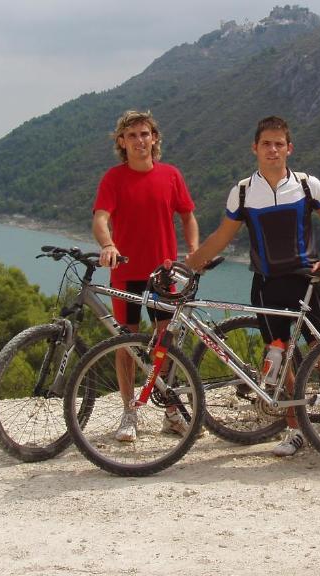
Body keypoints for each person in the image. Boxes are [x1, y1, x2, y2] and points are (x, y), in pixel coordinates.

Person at [186, 116, 320, 458]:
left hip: (306, 284)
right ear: (254, 148)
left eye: (279, 143)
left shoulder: (306, 185)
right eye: (266, 144)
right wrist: (186, 267)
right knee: (280, 360)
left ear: (289, 148)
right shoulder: (243, 191)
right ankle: (295, 430)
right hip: (266, 286)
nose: (272, 150)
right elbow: (220, 238)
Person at [93, 109, 200, 442]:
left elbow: (188, 216)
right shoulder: (113, 178)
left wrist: (194, 250)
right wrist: (108, 244)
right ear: (122, 142)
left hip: (163, 274)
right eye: (132, 136)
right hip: (125, 273)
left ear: (154, 138)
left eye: (145, 134)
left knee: (164, 342)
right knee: (126, 343)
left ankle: (169, 408)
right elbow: (100, 218)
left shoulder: (170, 175)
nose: (140, 141)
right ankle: (129, 411)